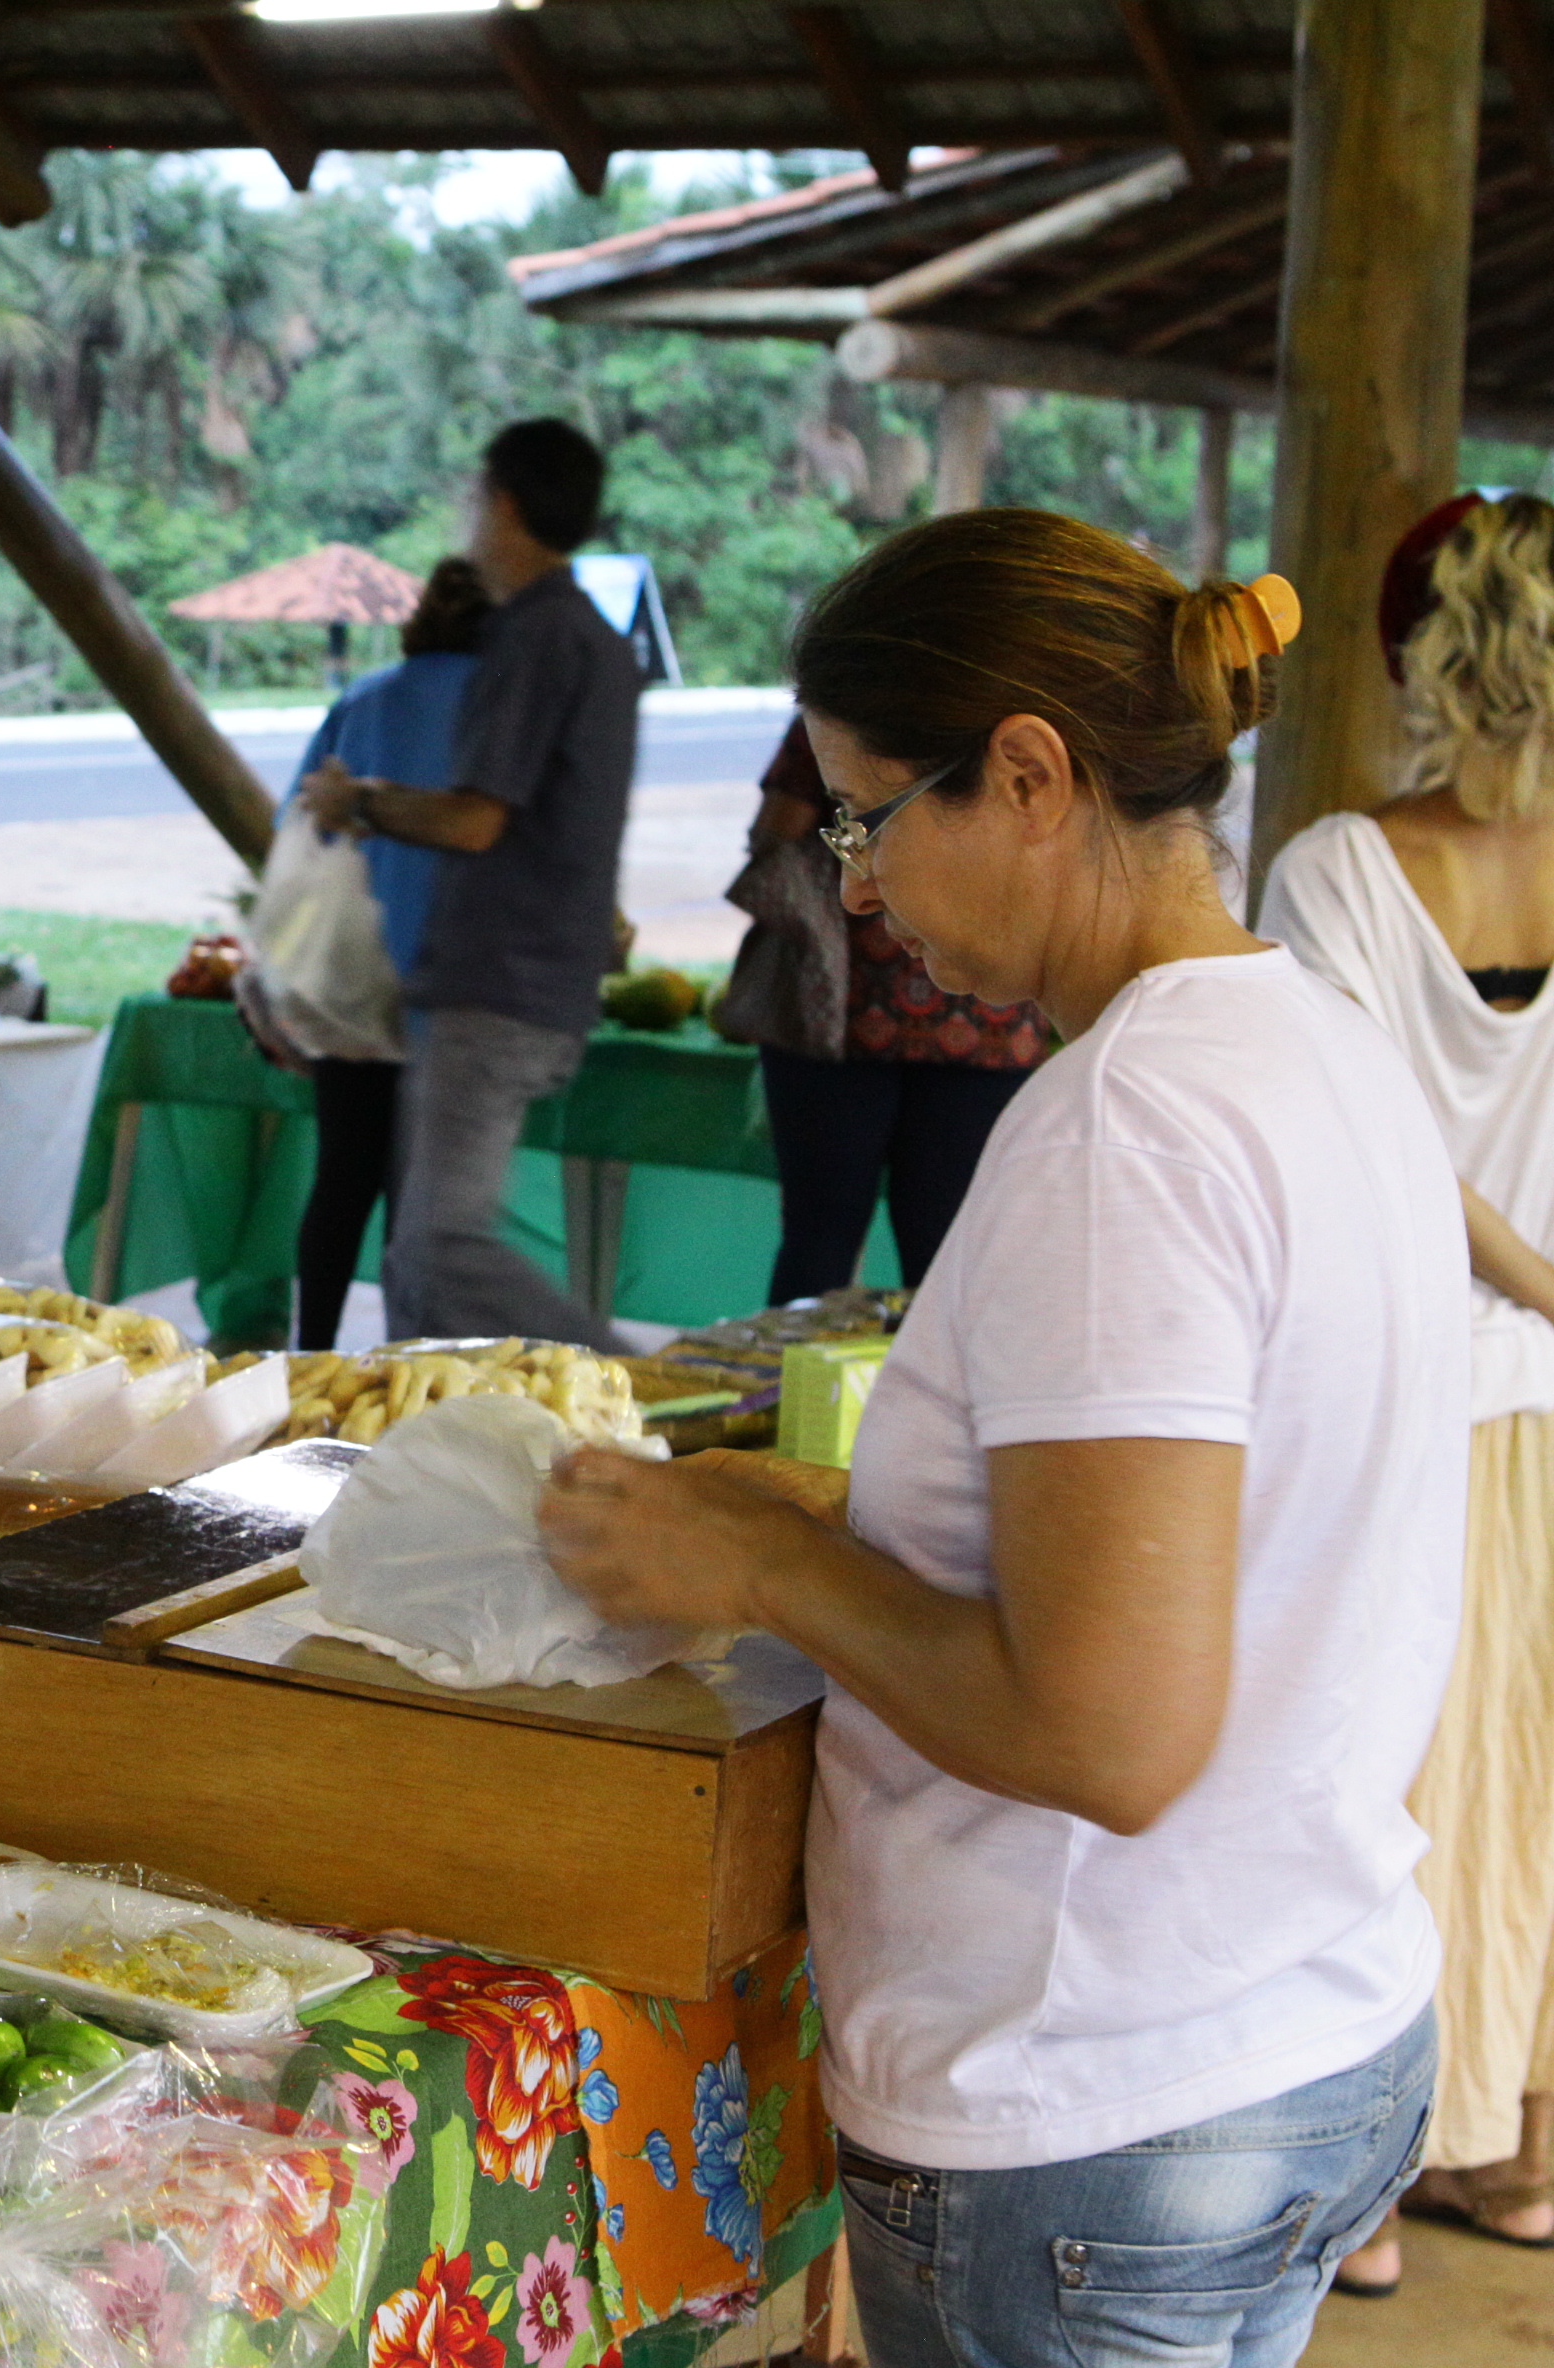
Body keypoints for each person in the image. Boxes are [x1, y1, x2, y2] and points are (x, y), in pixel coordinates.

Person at [539, 510, 1465, 2368]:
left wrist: (763, 1558)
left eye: (869, 816)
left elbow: (1103, 1733)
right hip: (1303, 2016)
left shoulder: (1125, 1126)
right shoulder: (1315, 1043)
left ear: (1028, 773)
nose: (858, 886)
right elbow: (1218, 1526)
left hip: (1103, 2098)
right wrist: (841, 1507)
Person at [1267, 491, 1554, 2294]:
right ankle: (1520, 2153)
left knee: (1393, 1776)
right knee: (1531, 1765)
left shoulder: (1331, 870)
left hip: (1409, 1396)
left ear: (1401, 656)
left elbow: (1362, 1139)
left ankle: (1366, 2186)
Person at [310, 419, 638, 1351]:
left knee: (438, 1245)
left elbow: (475, 819)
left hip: (499, 979)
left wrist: (360, 801)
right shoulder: (600, 643)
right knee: (417, 1256)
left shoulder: (534, 639)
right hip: (542, 979)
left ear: (500, 502)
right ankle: (427, 1431)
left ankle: (623, 1380)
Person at [734, 713, 1048, 1301]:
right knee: (948, 1254)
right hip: (989, 1019)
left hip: (843, 1011)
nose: (862, 887)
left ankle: (790, 1391)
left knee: (818, 1241)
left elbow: (780, 826)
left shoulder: (847, 701)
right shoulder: (1013, 712)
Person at [287, 556, 489, 1349]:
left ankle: (313, 1353)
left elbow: (296, 822)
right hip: (464, 977)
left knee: (343, 1175)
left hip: (357, 975)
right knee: (426, 1193)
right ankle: (412, 1359)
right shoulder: (507, 714)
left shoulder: (363, 699)